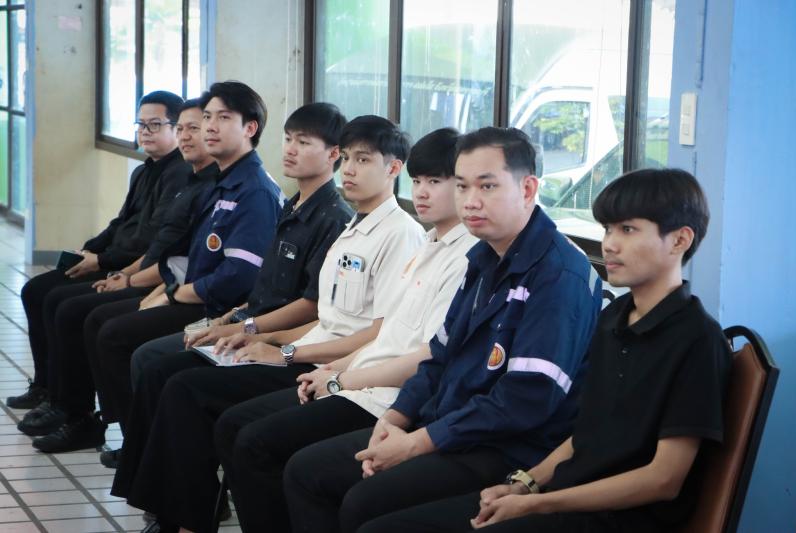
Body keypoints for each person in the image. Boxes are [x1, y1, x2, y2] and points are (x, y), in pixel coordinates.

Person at [356, 168, 732, 533]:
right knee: (379, 519)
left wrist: (538, 503)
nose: (610, 244)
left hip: (616, 518)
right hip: (564, 496)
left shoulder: (697, 338)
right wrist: (525, 484)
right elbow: (586, 432)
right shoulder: (615, 317)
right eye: (608, 229)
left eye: (628, 230)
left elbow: (663, 479)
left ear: (680, 240)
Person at [113, 115, 426, 533]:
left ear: (393, 168)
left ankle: (188, 521)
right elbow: (326, 318)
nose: (349, 169)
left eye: (363, 160)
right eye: (348, 158)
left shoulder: (400, 234)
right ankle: (178, 517)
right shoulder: (353, 226)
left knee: (198, 397)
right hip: (307, 353)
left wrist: (284, 351)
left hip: (332, 368)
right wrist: (256, 334)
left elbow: (375, 334)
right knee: (174, 379)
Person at [282, 126, 602, 533]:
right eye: (463, 186)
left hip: (507, 448)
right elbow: (439, 356)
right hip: (450, 425)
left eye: (487, 186)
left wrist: (417, 442)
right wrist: (395, 419)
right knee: (307, 472)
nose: (471, 200)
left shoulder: (558, 274)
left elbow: (525, 401)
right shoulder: (484, 257)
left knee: (365, 505)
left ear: (527, 189)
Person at [211, 127, 479, 532]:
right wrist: (328, 369)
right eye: (419, 181)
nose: (423, 192)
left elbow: (423, 355)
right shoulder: (426, 243)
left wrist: (326, 372)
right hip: (351, 375)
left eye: (436, 182)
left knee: (266, 448)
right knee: (238, 427)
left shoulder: (455, 254)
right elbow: (383, 333)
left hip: (385, 395)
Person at [97, 101, 354, 469]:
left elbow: (309, 306)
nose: (290, 149)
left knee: (168, 374)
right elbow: (261, 288)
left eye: (303, 142)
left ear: (333, 154)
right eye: (288, 139)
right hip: (245, 320)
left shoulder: (331, 217)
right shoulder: (293, 205)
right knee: (154, 362)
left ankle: (167, 482)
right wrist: (226, 321)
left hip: (277, 340)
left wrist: (245, 329)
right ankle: (146, 468)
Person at [30, 81, 283, 453]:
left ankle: (133, 439)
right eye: (205, 118)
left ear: (250, 128)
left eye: (222, 118)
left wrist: (170, 292)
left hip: (217, 308)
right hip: (191, 294)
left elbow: (238, 276)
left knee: (114, 334)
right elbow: (181, 253)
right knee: (82, 313)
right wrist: (164, 288)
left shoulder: (252, 190)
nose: (207, 128)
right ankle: (121, 431)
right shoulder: (219, 182)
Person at [17, 98, 218, 447]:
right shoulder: (147, 171)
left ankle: (83, 414)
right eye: (141, 124)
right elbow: (125, 225)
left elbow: (158, 246)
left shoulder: (190, 177)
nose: (145, 132)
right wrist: (91, 250)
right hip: (142, 271)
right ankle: (52, 392)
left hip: (168, 284)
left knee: (73, 310)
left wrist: (115, 269)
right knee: (39, 291)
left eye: (156, 125)